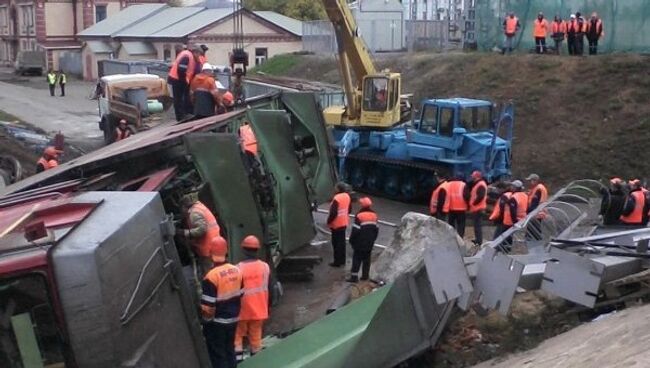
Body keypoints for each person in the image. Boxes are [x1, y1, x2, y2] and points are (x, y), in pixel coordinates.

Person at [201, 244, 242, 368]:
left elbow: (208, 307)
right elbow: (241, 293)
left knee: (218, 354)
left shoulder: (211, 276)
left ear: (210, 254)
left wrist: (206, 322)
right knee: (229, 349)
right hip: (233, 319)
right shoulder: (237, 270)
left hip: (217, 322)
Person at [235, 235, 270, 362]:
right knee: (256, 338)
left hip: (242, 311)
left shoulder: (238, 268)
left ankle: (238, 363)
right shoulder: (265, 267)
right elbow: (268, 287)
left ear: (243, 250)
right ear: (257, 250)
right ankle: (256, 362)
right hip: (259, 309)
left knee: (237, 336)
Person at [177, 193, 222, 276]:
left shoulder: (194, 214)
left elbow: (201, 229)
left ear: (184, 207)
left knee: (210, 274)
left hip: (208, 248)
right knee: (218, 271)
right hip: (216, 244)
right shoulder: (200, 207)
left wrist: (184, 232)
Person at [347, 197, 378, 283]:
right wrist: (373, 240)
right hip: (369, 242)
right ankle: (365, 276)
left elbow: (355, 230)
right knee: (367, 259)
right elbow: (376, 230)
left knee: (357, 258)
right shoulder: (374, 215)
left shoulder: (359, 215)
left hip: (360, 242)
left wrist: (351, 240)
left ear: (362, 205)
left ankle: (354, 277)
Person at [168, 45, 203, 121]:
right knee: (178, 98)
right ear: (195, 52)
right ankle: (180, 116)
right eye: (198, 54)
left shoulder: (189, 56)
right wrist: (184, 80)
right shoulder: (187, 56)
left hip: (180, 79)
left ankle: (186, 113)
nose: (199, 56)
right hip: (177, 79)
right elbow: (181, 69)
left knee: (184, 97)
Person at [327, 182, 351, 267]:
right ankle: (342, 260)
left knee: (336, 243)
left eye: (335, 187)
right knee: (342, 243)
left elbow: (333, 213)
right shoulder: (347, 196)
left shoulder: (337, 198)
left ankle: (337, 262)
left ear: (338, 189)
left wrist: (329, 221)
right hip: (344, 222)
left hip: (336, 224)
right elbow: (349, 209)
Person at [526, 174, 548, 240]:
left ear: (535, 181)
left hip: (537, 212)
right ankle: (535, 241)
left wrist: (528, 211)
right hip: (538, 212)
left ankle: (535, 243)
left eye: (530, 180)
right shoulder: (538, 188)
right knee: (535, 229)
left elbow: (535, 202)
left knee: (534, 230)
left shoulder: (538, 189)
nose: (529, 182)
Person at [468, 171, 487, 245]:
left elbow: (480, 196)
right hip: (477, 208)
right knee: (476, 225)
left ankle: (479, 241)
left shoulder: (480, 184)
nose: (472, 177)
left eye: (473, 176)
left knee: (477, 225)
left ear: (476, 177)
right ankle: (478, 240)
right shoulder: (479, 184)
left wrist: (473, 203)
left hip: (478, 208)